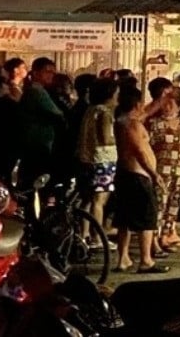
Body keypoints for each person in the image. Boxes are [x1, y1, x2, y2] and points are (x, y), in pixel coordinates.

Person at [113, 88, 168, 274]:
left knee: (125, 219)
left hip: (126, 175)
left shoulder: (122, 122)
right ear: (136, 104)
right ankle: (146, 260)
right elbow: (140, 152)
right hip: (138, 176)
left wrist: (159, 102)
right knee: (147, 218)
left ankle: (123, 258)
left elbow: (144, 114)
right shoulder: (132, 125)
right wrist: (154, 174)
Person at [77, 78, 118, 249]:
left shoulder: (90, 110)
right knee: (99, 200)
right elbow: (106, 137)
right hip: (103, 159)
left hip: (87, 158)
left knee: (87, 198)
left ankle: (84, 233)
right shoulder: (104, 113)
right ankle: (97, 237)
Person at [149, 96, 180, 249]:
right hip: (161, 169)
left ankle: (165, 236)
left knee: (174, 204)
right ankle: (154, 239)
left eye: (171, 104)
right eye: (165, 104)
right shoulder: (155, 124)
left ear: (179, 107)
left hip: (179, 169)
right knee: (160, 204)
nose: (167, 107)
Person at [17, 58, 65, 188]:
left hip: (36, 142)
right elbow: (58, 114)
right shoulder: (37, 91)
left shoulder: (37, 90)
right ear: (36, 73)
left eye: (53, 72)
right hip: (37, 143)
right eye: (47, 71)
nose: (51, 75)